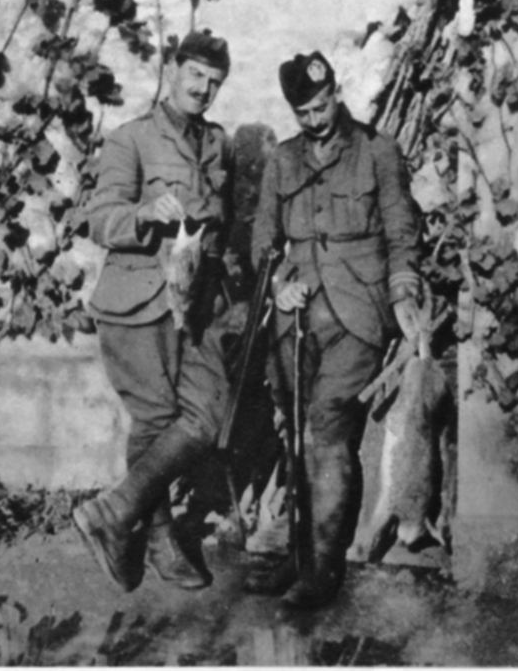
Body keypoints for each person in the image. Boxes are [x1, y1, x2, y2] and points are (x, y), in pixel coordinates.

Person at [246, 51, 422, 608]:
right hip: (298, 318)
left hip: (358, 313)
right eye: (304, 112)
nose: (316, 120)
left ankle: (323, 569)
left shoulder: (377, 151)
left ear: (336, 93)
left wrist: (403, 293)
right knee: (296, 431)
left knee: (327, 428)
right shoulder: (281, 161)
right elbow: (262, 240)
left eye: (322, 106)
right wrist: (276, 285)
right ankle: (298, 560)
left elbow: (401, 230)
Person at [73, 30, 233, 593]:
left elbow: (222, 227)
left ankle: (114, 512)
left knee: (208, 416)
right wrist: (143, 213)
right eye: (195, 75)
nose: (203, 88)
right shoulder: (131, 139)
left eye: (214, 81)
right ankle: (161, 538)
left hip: (194, 304)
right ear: (173, 71)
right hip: (138, 300)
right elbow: (100, 220)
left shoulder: (218, 144)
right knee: (155, 419)